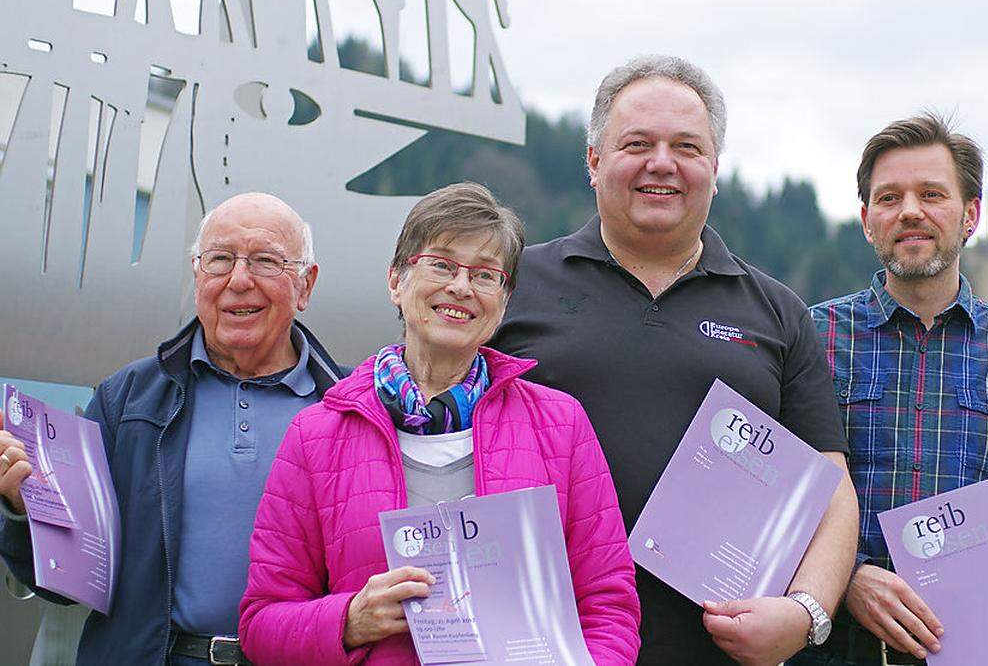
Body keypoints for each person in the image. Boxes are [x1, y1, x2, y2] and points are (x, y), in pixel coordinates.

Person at [490, 55, 859, 665]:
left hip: (717, 651)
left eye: (687, 147)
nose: (662, 163)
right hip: (542, 643)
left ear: (714, 170)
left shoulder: (778, 313)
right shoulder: (511, 285)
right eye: (637, 143)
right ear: (593, 161)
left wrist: (806, 614)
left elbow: (830, 485)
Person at [238, 182, 640, 665]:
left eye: (486, 274)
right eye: (442, 264)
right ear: (395, 281)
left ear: (504, 301)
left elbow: (608, 606)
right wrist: (348, 620)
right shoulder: (316, 435)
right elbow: (261, 623)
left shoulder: (560, 424)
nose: (461, 287)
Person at [797, 113, 988, 666]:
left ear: (971, 215)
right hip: (834, 651)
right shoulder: (810, 336)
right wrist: (846, 578)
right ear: (868, 220)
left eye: (932, 194)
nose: (910, 210)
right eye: (889, 198)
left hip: (980, 653)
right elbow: (775, 505)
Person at [0, 192, 344, 664]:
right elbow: (71, 582)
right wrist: (27, 508)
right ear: (198, 275)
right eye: (219, 259)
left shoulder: (350, 407)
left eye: (265, 261)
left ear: (305, 285)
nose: (238, 281)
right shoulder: (128, 398)